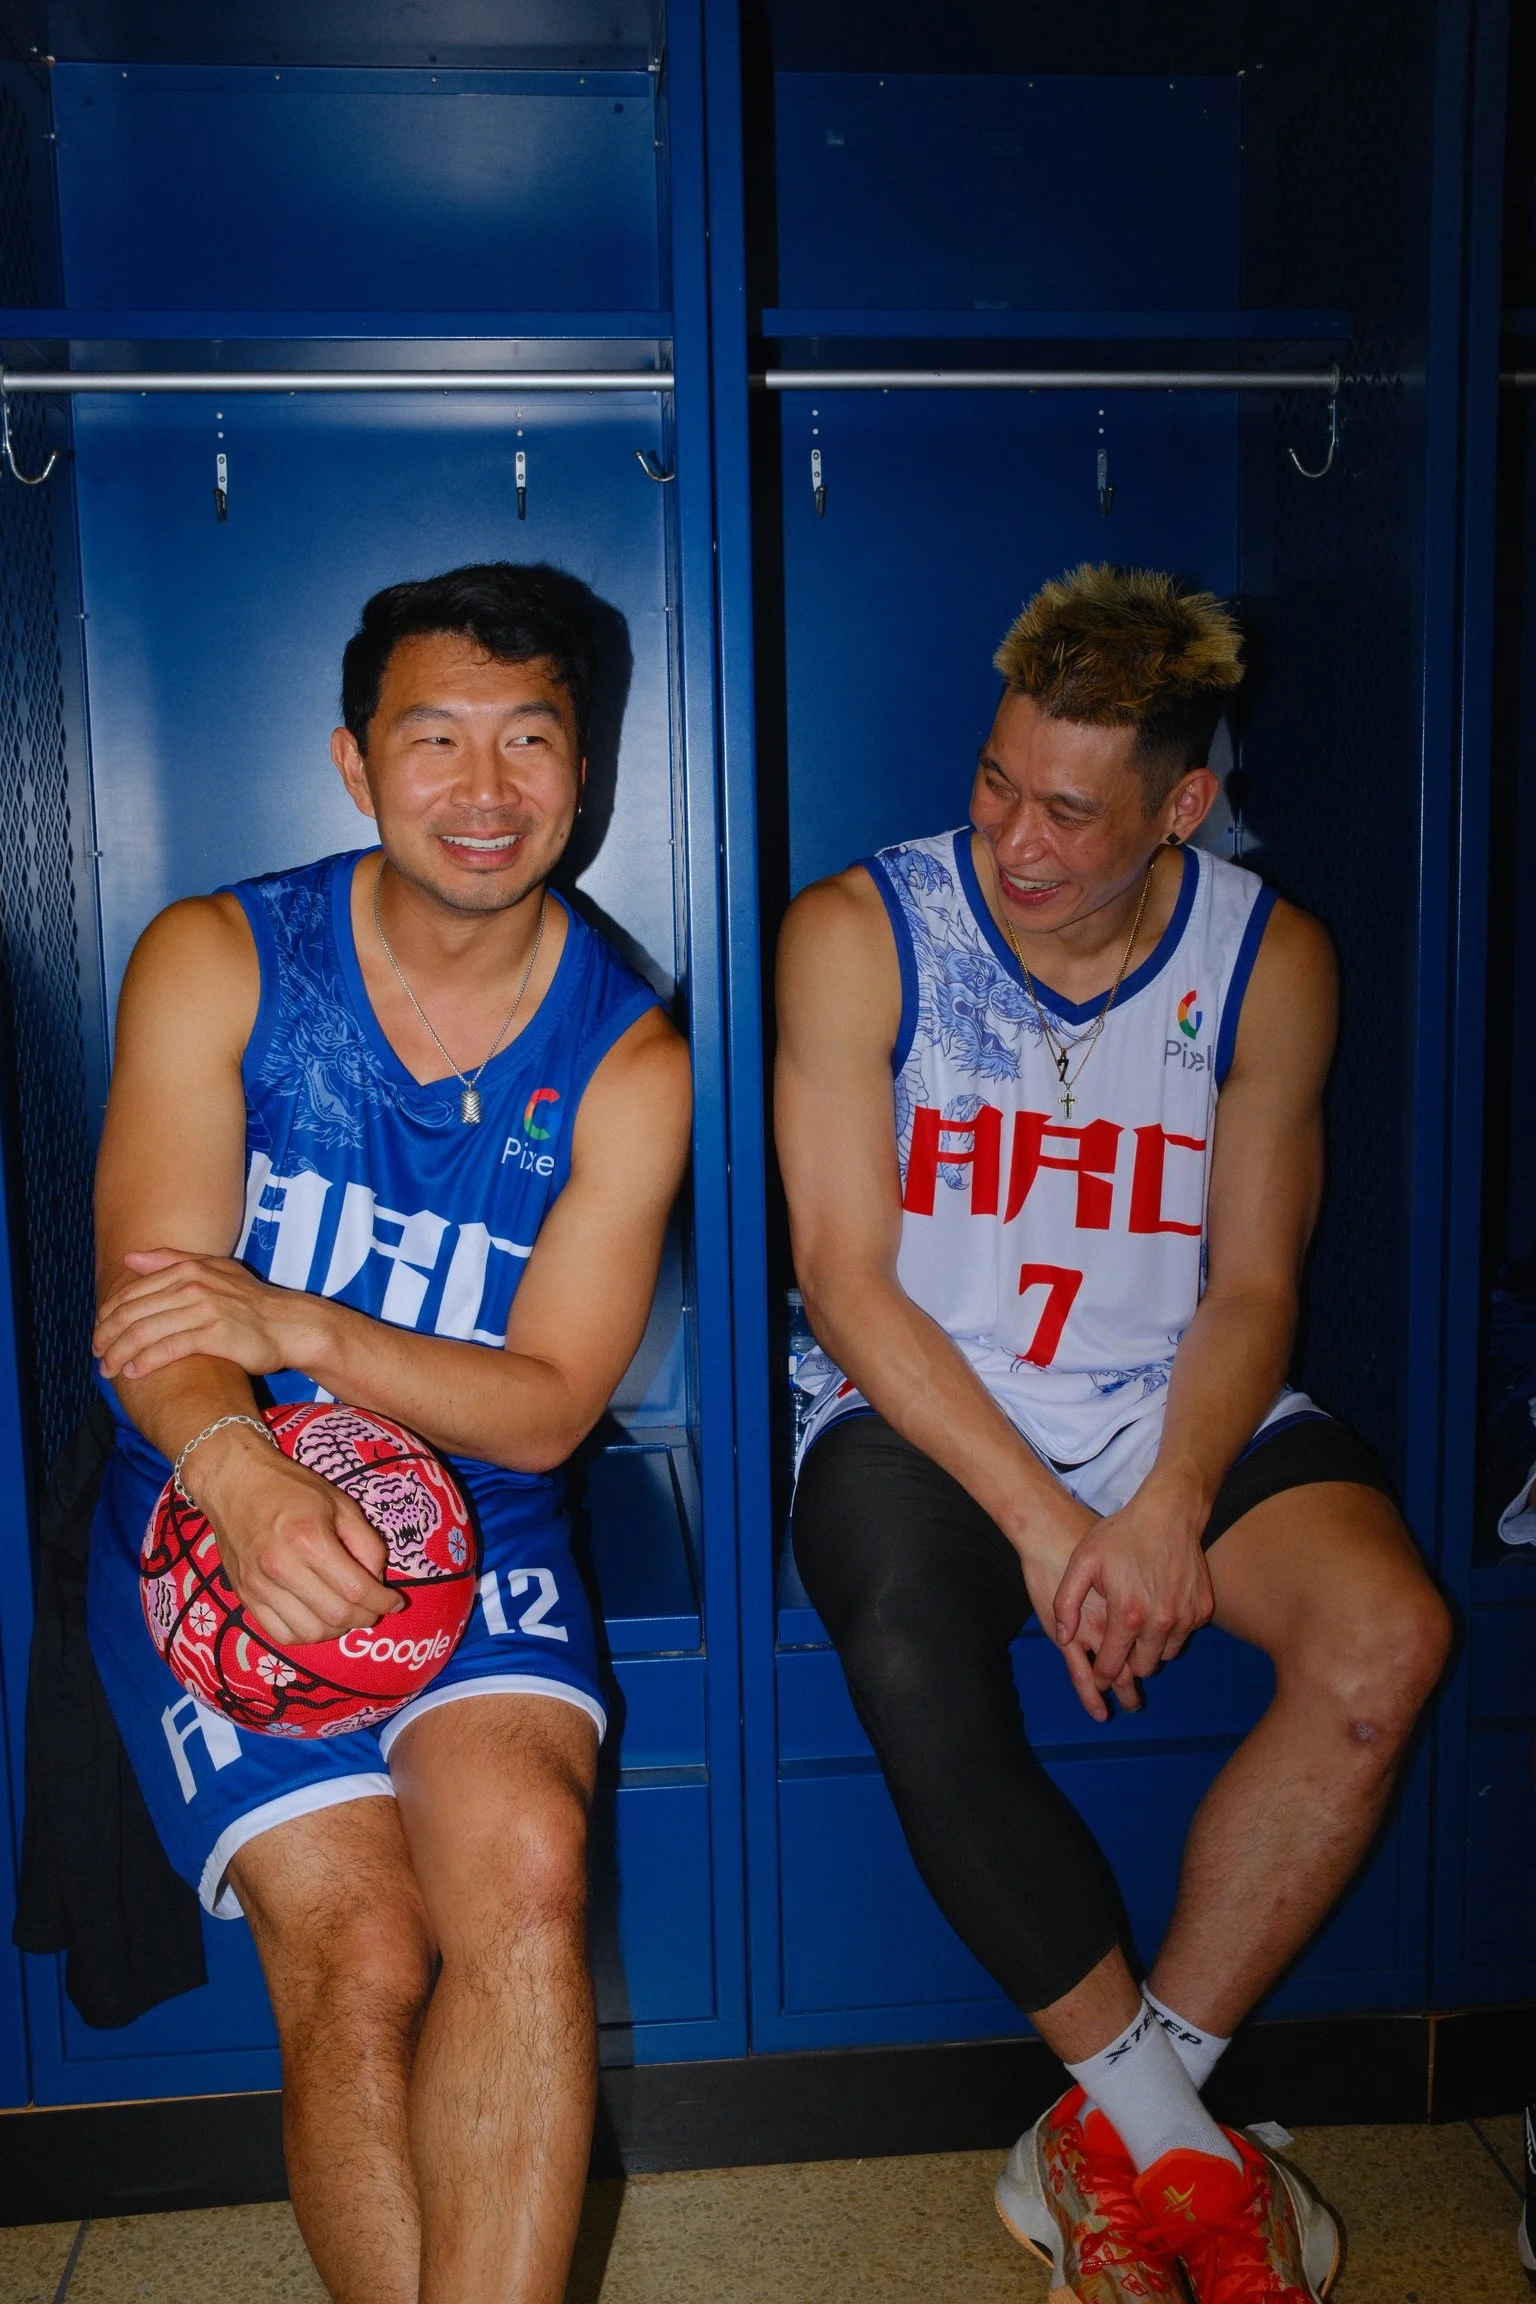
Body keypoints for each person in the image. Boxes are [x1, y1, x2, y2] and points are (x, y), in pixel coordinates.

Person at [776, 564, 1451, 2303]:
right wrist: (1050, 1524)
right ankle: (1173, 2151)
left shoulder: (1268, 957)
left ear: (1185, 807)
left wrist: (1166, 1500)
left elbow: (1249, 1290)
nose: (1015, 837)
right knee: (908, 1637)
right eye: (996, 781)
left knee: (1390, 1642)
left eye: (1072, 810)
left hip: (1170, 1399)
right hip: (923, 1402)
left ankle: (1103, 2131)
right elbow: (848, 1283)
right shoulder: (861, 930)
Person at [87, 563, 691, 2304]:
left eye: (530, 741)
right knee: (355, 1957)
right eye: (435, 741)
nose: (484, 791)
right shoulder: (219, 958)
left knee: (527, 1875)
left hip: (483, 1521)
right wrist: (241, 1463)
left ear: (586, 776)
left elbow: (554, 1400)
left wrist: (302, 1329)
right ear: (354, 763)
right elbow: (153, 1318)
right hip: (209, 1504)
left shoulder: (627, 1059)